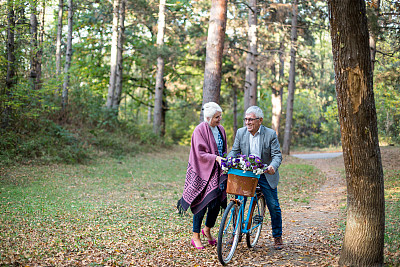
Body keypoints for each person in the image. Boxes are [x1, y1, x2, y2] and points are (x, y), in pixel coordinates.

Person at [227, 106, 284, 249]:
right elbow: (234, 151)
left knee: (274, 206)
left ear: (260, 120)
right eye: (246, 119)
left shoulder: (270, 134)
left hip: (265, 173)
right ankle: (236, 232)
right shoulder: (241, 133)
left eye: (251, 119)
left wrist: (272, 167)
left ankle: (277, 236)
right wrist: (227, 163)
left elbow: (277, 155)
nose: (247, 122)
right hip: (246, 173)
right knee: (238, 201)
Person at [178, 102, 227, 250]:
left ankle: (207, 229)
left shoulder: (221, 130)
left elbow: (223, 149)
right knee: (202, 204)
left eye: (220, 116)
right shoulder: (199, 130)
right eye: (217, 117)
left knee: (216, 203)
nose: (219, 120)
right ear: (208, 117)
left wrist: (223, 161)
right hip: (203, 171)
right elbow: (199, 153)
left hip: (218, 172)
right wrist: (216, 158)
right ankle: (196, 236)